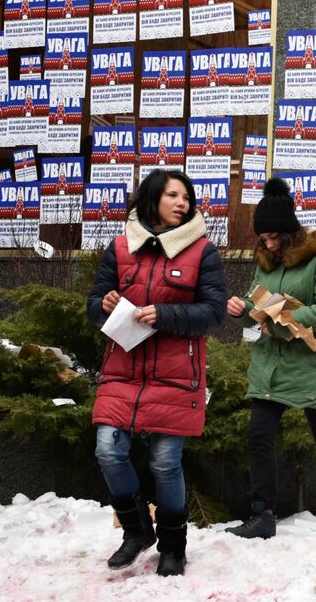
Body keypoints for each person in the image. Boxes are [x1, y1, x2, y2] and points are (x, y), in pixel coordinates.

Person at [86, 169, 227, 576]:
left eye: (186, 196)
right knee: (107, 451)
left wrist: (164, 315)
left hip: (176, 373)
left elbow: (214, 313)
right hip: (122, 369)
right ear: (152, 199)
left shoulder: (203, 252)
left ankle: (172, 546)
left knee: (166, 462)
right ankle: (136, 532)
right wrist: (105, 304)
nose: (182, 203)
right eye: (172, 195)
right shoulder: (120, 248)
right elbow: (94, 304)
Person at [226, 177, 316, 540]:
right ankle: (262, 515)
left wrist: (283, 324)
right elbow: (260, 304)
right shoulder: (267, 261)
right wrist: (241, 310)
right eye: (263, 238)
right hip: (272, 365)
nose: (268, 244)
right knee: (259, 435)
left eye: (274, 238)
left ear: (290, 232)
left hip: (313, 364)